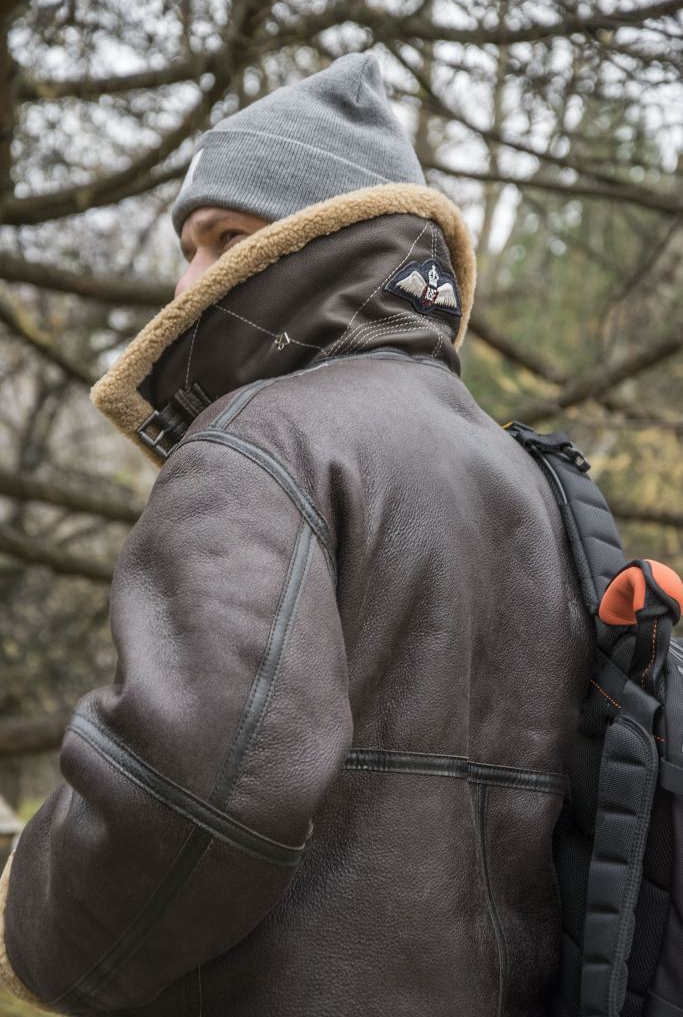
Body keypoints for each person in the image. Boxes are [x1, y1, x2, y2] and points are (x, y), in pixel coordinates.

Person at [0, 52, 594, 1016]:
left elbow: (197, 787)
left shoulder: (261, 436)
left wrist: (36, 938)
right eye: (185, 247)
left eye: (224, 236)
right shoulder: (530, 479)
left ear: (317, 237)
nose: (188, 282)